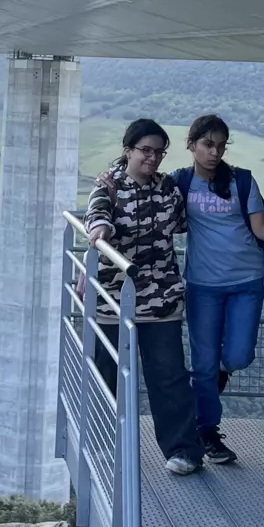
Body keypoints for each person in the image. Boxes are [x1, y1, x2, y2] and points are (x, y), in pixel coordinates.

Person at [171, 114, 264, 466]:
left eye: (221, 145)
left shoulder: (242, 181)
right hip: (203, 285)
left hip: (246, 281)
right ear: (191, 144)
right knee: (203, 365)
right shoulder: (180, 183)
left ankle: (215, 378)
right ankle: (206, 430)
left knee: (239, 356)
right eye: (208, 144)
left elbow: (262, 229)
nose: (215, 152)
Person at [85, 119, 207, 476]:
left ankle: (183, 450)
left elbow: (186, 223)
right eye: (145, 151)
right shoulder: (108, 186)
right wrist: (100, 230)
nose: (152, 158)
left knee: (168, 377)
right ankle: (102, 446)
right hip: (113, 297)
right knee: (106, 374)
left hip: (161, 298)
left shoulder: (168, 189)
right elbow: (97, 217)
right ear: (128, 150)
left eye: (158, 152)